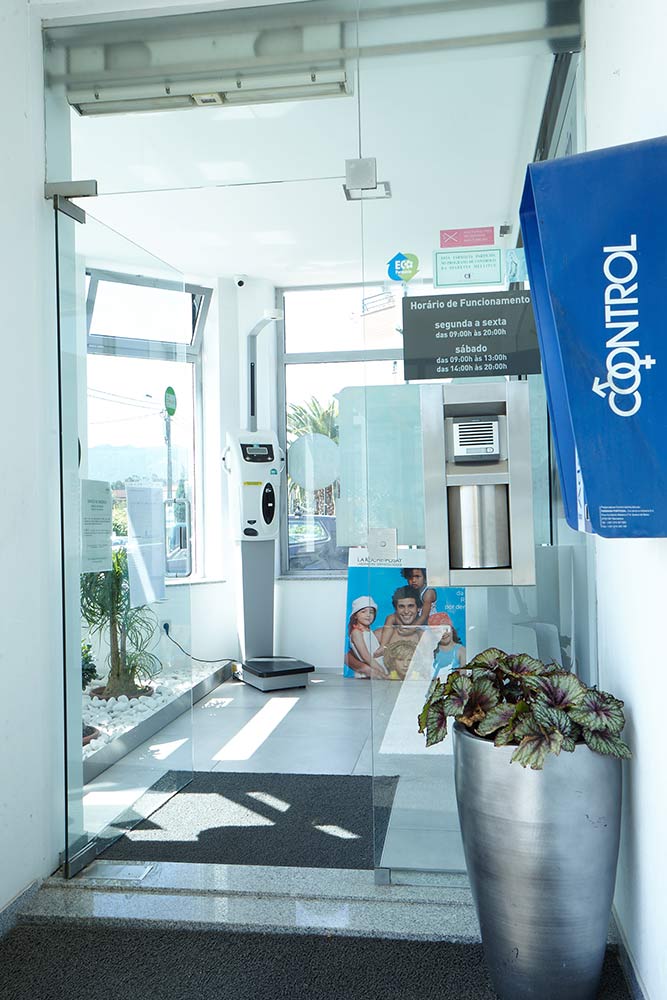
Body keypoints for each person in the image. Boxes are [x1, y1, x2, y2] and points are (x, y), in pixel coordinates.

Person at [344, 596, 389, 679]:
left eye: (371, 612)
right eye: (363, 612)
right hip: (372, 670)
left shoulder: (369, 632)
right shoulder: (356, 632)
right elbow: (365, 656)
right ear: (355, 615)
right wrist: (381, 670)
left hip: (378, 665)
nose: (368, 615)